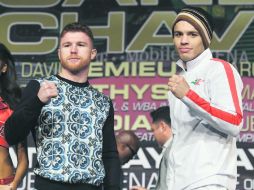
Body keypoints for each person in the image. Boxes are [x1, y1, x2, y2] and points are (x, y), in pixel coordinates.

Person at [4, 23, 120, 190]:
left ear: (93, 53)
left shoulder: (102, 102)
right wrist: (37, 101)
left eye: (80, 45)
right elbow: (11, 135)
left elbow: (109, 155)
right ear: (59, 53)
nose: (73, 50)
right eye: (67, 45)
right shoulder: (39, 87)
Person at [167, 7, 243, 190]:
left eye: (192, 34)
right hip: (178, 182)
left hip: (210, 179)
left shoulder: (219, 69)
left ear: (205, 38)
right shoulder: (179, 80)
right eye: (178, 34)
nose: (183, 41)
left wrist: (189, 96)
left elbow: (234, 122)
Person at [0, 43, 28, 190]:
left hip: (5, 184)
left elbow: (22, 154)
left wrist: (13, 185)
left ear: (3, 67)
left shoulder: (12, 108)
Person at [131, 106, 172, 190]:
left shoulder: (174, 151)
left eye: (153, 130)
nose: (153, 135)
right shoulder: (171, 149)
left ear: (162, 126)